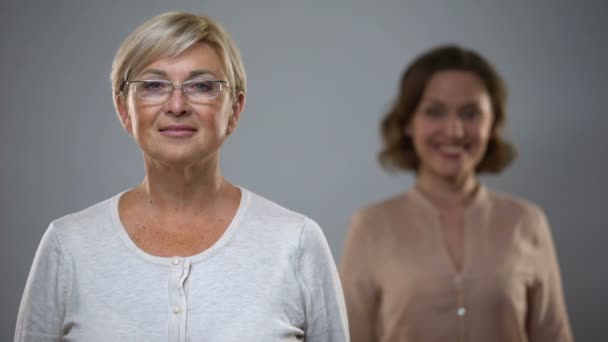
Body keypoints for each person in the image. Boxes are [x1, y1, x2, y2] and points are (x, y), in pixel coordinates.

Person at [15, 11, 348, 341]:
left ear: (234, 109)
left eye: (201, 85)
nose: (176, 105)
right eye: (153, 85)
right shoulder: (68, 245)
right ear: (123, 110)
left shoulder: (297, 243)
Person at [340, 45, 573, 342]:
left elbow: (553, 335)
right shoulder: (370, 225)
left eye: (471, 113)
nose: (454, 130)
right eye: (434, 112)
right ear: (408, 123)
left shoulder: (527, 222)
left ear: (493, 123)